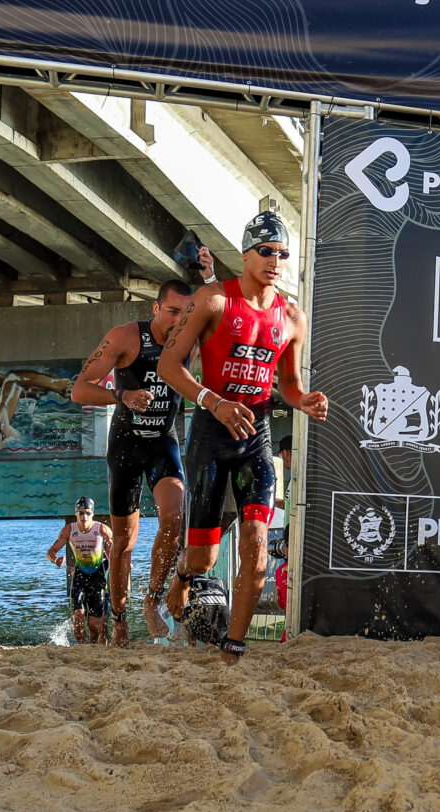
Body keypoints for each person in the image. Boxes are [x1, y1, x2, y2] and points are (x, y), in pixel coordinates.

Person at [158, 213, 328, 661]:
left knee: (256, 541)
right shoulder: (212, 300)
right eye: (267, 251)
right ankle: (181, 575)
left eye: (283, 254)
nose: (276, 261)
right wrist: (213, 401)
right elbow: (169, 366)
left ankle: (234, 646)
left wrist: (303, 399)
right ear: (245, 254)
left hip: (256, 433)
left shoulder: (292, 316)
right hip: (212, 434)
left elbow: (287, 385)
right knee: (203, 560)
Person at [72, 255, 210, 642]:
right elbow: (79, 389)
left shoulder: (191, 342)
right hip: (126, 448)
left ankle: (151, 599)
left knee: (174, 516)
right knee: (124, 544)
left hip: (163, 442)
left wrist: (211, 275)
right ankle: (119, 620)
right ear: (155, 309)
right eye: (171, 312)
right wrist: (122, 394)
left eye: (185, 314)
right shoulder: (126, 336)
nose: (177, 321)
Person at [47, 498, 113, 644]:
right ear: (76, 514)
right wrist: (56, 559)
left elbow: (116, 552)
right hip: (80, 577)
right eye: (81, 513)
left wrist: (120, 559)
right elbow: (50, 552)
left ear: (93, 514)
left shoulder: (101, 529)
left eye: (87, 513)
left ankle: (95, 646)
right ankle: (83, 649)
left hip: (98, 578)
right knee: (78, 621)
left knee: (94, 625)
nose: (84, 517)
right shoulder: (69, 530)